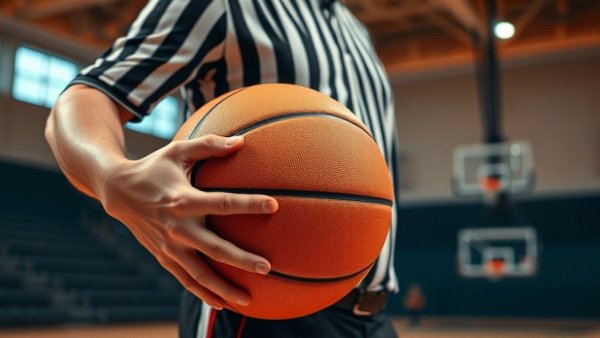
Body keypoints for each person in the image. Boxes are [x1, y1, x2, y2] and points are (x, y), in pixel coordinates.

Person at [45, 1, 400, 337]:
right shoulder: (220, 6)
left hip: (373, 314)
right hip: (255, 307)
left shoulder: (355, 29)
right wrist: (112, 177)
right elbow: (87, 95)